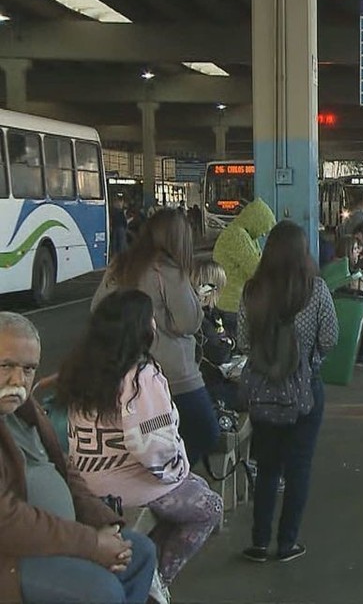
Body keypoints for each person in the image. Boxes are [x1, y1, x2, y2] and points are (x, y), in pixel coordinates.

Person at [61, 291, 223, 586]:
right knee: (209, 508)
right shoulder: (140, 377)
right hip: (127, 487)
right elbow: (154, 450)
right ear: (140, 327)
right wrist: (180, 470)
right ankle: (156, 579)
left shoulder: (81, 369)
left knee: (192, 488)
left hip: (85, 480)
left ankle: (145, 568)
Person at [0, 312, 158, 604]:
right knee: (102, 592)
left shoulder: (23, 408)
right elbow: (6, 521)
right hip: (12, 556)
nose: (17, 379)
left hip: (58, 539)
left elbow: (64, 469)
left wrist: (104, 524)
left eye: (29, 368)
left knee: (140, 552)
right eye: (6, 365)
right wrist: (91, 545)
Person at [237, 221, 339, 562]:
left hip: (262, 393)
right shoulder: (317, 290)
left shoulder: (252, 291)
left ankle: (259, 541)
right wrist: (310, 363)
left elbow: (241, 340)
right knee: (299, 468)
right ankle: (287, 543)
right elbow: (330, 338)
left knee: (267, 468)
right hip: (304, 391)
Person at [92, 209, 217, 465]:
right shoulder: (168, 270)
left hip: (122, 371)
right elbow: (189, 322)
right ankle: (173, 482)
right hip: (173, 375)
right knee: (206, 432)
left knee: (144, 442)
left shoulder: (120, 265)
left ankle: (155, 482)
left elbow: (98, 310)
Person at [213, 197, 277, 340]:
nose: (263, 234)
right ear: (255, 221)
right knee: (241, 350)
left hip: (234, 303)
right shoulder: (236, 236)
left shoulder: (244, 235)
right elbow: (256, 269)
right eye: (263, 228)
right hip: (232, 306)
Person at [192, 258, 240, 410]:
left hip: (219, 379)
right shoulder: (198, 320)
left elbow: (232, 321)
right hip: (211, 387)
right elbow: (220, 353)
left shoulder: (212, 313)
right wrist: (233, 344)